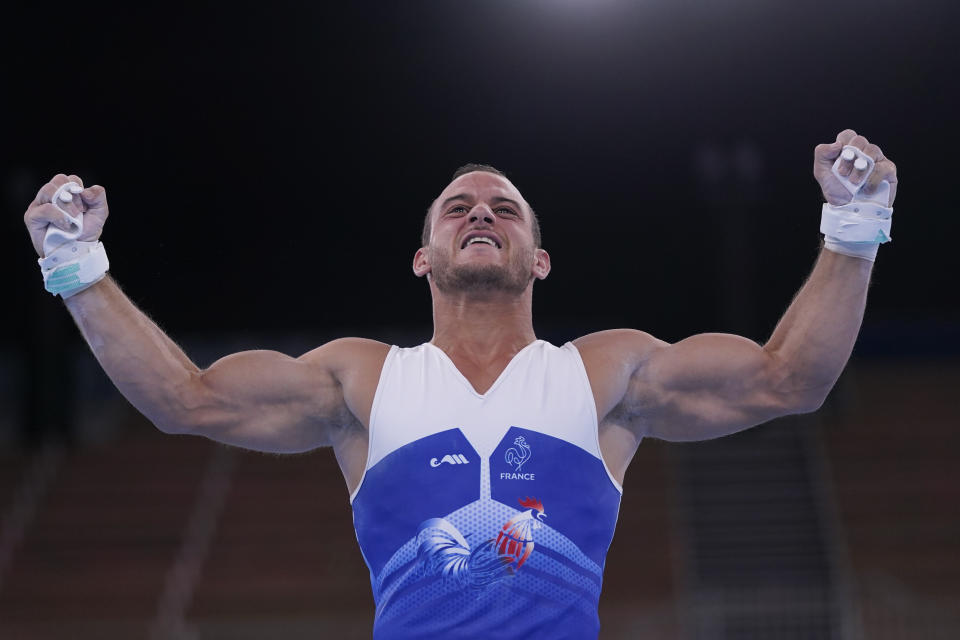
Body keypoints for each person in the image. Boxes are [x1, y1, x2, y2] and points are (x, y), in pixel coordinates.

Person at [22, 129, 897, 639]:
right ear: (423, 259)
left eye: (504, 208)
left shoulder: (603, 373)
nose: (481, 211)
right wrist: (77, 267)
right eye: (458, 208)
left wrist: (854, 228)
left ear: (539, 260)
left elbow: (791, 378)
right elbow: (187, 399)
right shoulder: (360, 380)